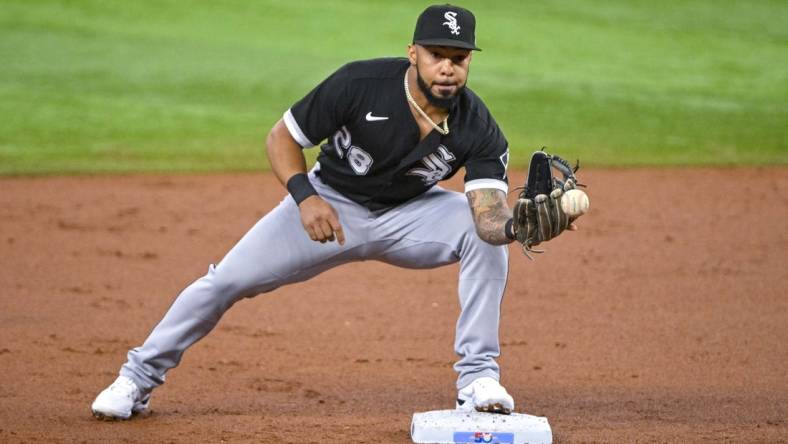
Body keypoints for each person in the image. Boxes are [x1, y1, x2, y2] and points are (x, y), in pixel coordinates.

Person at [91, 4, 571, 420]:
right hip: (330, 206)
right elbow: (282, 138)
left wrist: (512, 227)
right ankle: (136, 380)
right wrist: (306, 197)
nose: (447, 68)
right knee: (225, 281)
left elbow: (486, 215)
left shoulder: (479, 126)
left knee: (485, 243)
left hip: (411, 216)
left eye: (458, 58)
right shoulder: (359, 84)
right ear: (413, 54)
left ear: (469, 62)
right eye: (436, 55)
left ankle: (478, 380)